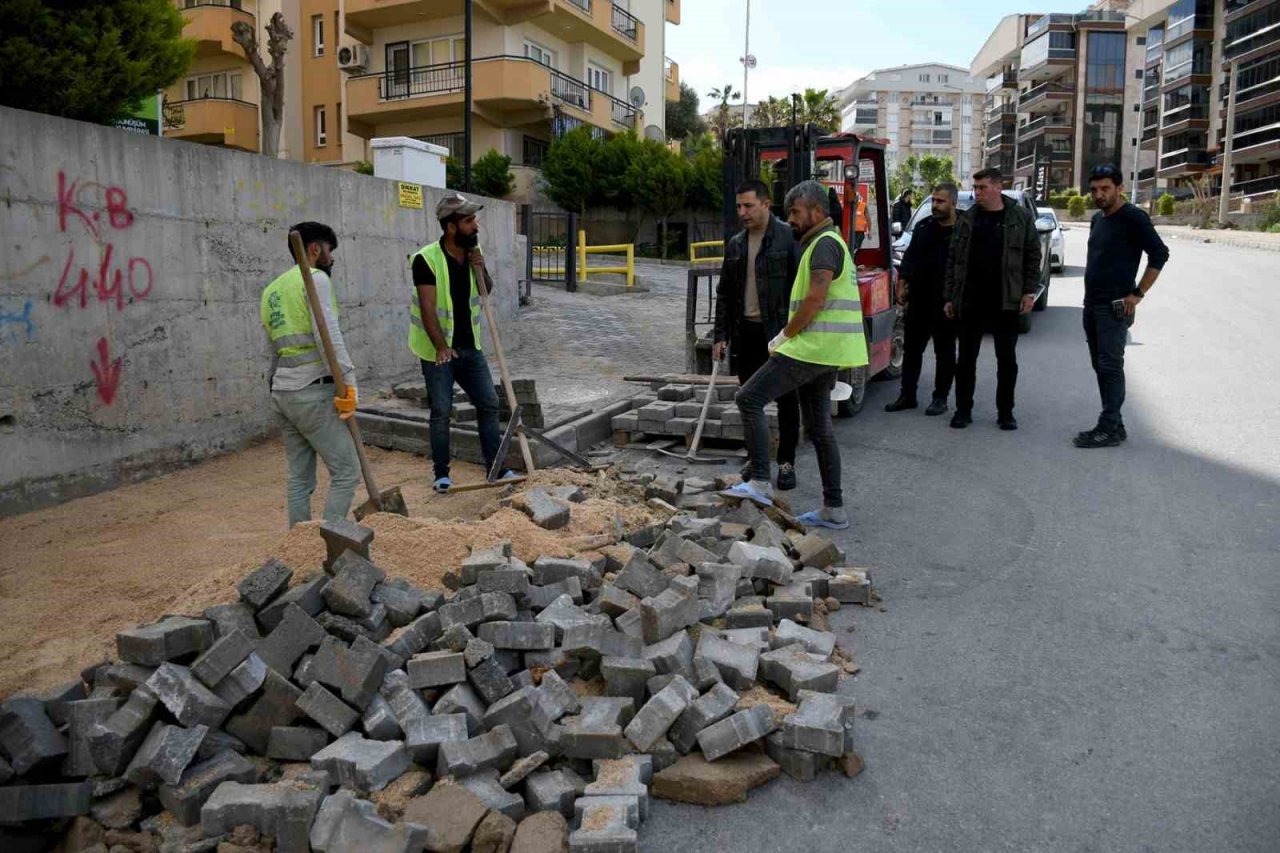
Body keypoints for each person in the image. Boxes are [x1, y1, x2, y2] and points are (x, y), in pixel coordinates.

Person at [722, 180, 868, 530]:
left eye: (796, 212)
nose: (792, 219)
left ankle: (759, 481)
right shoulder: (827, 243)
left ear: (818, 212)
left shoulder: (823, 246)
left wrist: (785, 335)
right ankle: (834, 508)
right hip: (826, 350)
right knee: (819, 428)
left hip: (812, 347)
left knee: (749, 398)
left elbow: (815, 299)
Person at [409, 193, 515, 492]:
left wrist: (479, 268)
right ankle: (441, 474)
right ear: (451, 227)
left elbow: (486, 291)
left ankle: (496, 466)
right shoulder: (425, 259)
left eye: (474, 219)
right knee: (442, 410)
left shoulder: (473, 251)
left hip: (471, 347)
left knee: (489, 403)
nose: (476, 225)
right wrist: (442, 348)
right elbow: (428, 308)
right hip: (437, 350)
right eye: (469, 221)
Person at [260, 221, 360, 527]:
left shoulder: (272, 290)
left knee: (299, 478)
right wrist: (349, 382)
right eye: (329, 251)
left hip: (284, 394)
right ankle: (330, 541)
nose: (331, 258)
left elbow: (269, 351)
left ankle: (299, 546)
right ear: (315, 249)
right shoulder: (315, 279)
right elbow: (327, 337)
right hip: (312, 392)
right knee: (346, 472)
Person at [712, 180, 801, 490]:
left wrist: (796, 332)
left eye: (748, 205)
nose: (742, 212)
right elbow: (724, 293)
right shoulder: (736, 243)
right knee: (749, 399)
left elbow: (799, 291)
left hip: (780, 332)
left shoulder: (788, 238)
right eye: (739, 206)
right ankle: (756, 459)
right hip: (746, 333)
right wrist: (720, 334)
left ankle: (787, 462)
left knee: (788, 400)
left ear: (766, 204)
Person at [1074, 163, 1169, 448]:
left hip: (1115, 307)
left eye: (1105, 189)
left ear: (1119, 188)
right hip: (1091, 305)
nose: (1098, 194)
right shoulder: (1098, 219)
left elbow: (1159, 255)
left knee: (1110, 366)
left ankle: (1108, 427)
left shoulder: (1133, 217)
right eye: (1094, 189)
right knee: (1100, 365)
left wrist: (1137, 294)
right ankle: (1116, 424)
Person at [943, 167, 1040, 430]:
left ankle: (1006, 412)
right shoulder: (967, 219)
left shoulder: (1019, 217)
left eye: (982, 188)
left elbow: (1033, 257)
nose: (977, 193)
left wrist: (1029, 292)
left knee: (1007, 361)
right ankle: (963, 409)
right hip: (970, 300)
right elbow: (953, 259)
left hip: (1006, 301)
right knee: (965, 360)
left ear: (998, 186)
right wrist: (950, 296)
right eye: (975, 188)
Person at [885, 182, 959, 415]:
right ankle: (908, 395)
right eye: (933, 200)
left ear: (953, 203)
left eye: (940, 201)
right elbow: (909, 260)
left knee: (944, 352)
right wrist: (901, 285)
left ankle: (940, 398)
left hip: (946, 302)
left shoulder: (963, 232)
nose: (935, 205)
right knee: (912, 349)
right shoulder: (924, 227)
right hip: (919, 298)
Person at [853, 189, 870, 253]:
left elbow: (868, 219)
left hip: (860, 232)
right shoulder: (849, 207)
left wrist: (869, 231)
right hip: (851, 232)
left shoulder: (863, 206)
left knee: (856, 247)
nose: (855, 200)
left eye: (856, 198)